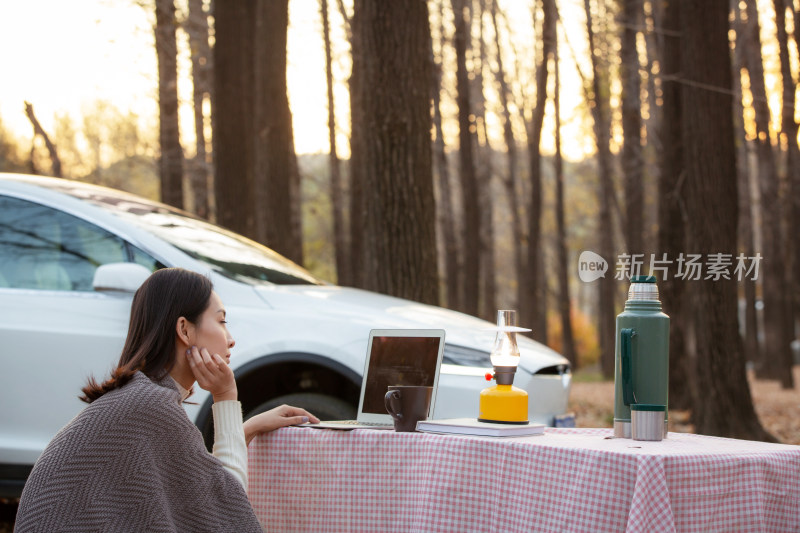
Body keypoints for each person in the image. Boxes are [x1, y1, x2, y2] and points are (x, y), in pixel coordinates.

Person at [14, 267, 320, 532]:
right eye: (222, 320)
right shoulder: (150, 407)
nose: (231, 338)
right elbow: (224, 514)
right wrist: (226, 396)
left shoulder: (139, 398)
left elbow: (200, 493)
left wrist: (245, 430)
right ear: (184, 329)